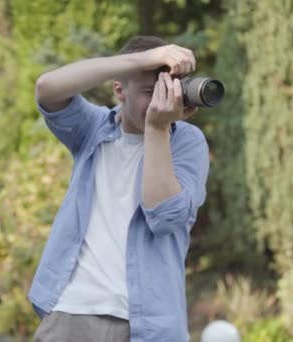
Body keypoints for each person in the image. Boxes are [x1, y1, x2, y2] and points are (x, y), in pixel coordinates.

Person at [29, 35, 210, 342]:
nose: (160, 101)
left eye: (168, 91)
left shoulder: (186, 142)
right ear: (119, 90)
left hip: (149, 326)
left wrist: (157, 129)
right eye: (149, 91)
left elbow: (165, 216)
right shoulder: (93, 128)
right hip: (72, 311)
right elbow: (47, 89)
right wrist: (144, 59)